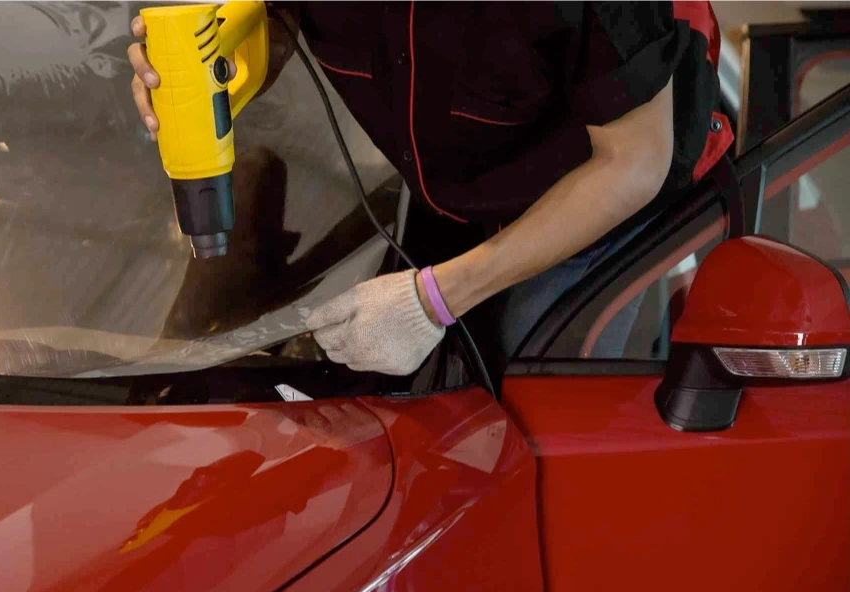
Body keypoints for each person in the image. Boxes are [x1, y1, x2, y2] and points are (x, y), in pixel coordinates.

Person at [128, 1, 721, 375]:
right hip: (451, 173)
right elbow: (282, 18)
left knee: (533, 370)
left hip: (607, 186)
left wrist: (434, 298)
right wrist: (215, 61)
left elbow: (634, 162)